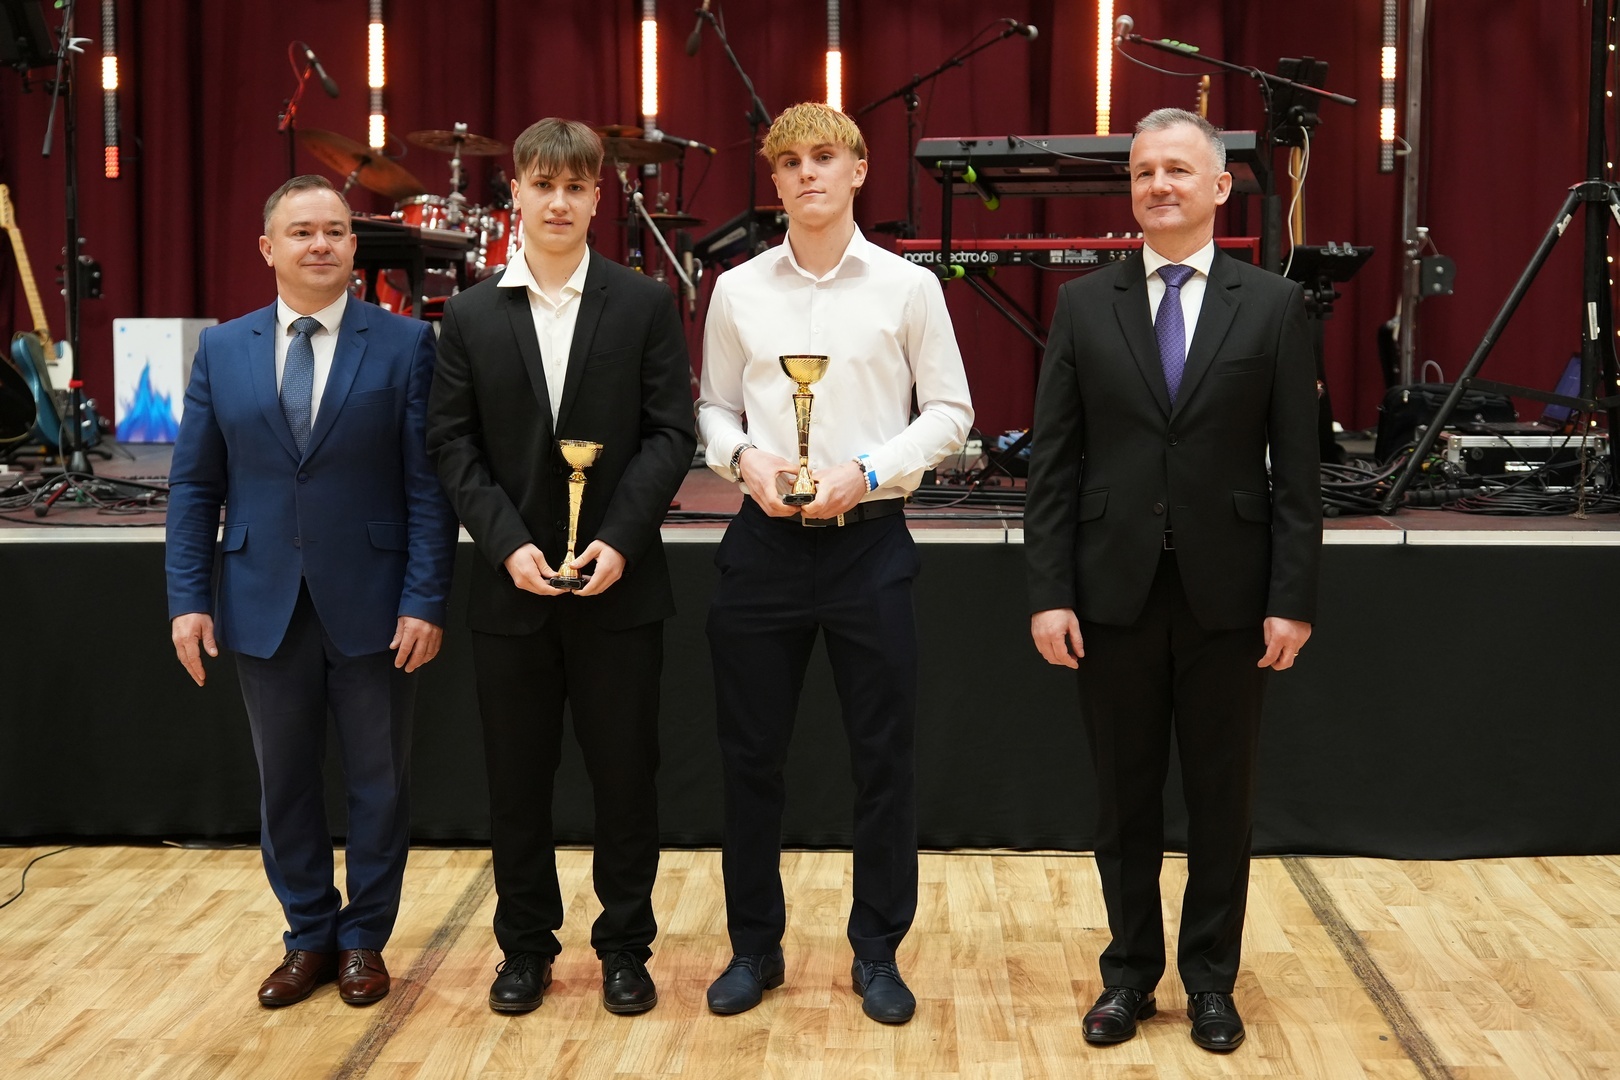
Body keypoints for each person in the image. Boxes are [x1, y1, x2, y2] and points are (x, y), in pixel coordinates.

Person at [1025, 108, 1321, 1052]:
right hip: (1109, 594)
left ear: (1220, 187)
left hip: (1230, 599)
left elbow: (1298, 472)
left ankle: (1210, 983)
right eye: (1144, 170)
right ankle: (1127, 976)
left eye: (1179, 170)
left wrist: (1292, 598)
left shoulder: (1272, 305)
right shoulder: (1083, 305)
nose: (1159, 184)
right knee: (1123, 803)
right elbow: (1053, 466)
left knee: (1222, 802)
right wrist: (1048, 591)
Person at [695, 102, 974, 1025]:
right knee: (749, 758)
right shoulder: (737, 289)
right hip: (763, 546)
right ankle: (753, 948)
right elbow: (712, 409)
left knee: (883, 759)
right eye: (791, 162)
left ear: (859, 170)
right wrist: (746, 460)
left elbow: (950, 411)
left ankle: (878, 952)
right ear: (774, 182)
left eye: (825, 157)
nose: (808, 172)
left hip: (870, 543)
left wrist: (870, 470)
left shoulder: (908, 287)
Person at [166, 175, 458, 1009]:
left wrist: (424, 598)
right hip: (260, 600)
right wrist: (188, 598)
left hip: (376, 603)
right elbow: (195, 487)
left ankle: (363, 940)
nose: (320, 243)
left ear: (355, 246)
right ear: (268, 248)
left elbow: (428, 488)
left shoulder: (407, 344)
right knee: (284, 786)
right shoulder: (223, 349)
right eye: (301, 232)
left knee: (379, 784)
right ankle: (307, 936)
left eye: (334, 230)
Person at [426, 118, 695, 1017]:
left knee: (626, 779)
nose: (558, 201)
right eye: (542, 184)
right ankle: (525, 947)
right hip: (511, 592)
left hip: (622, 586)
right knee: (516, 783)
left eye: (575, 186)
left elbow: (670, 433)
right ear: (516, 192)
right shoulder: (469, 315)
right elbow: (452, 445)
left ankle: (624, 947)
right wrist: (507, 545)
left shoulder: (643, 303)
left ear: (597, 197)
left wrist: (620, 539)